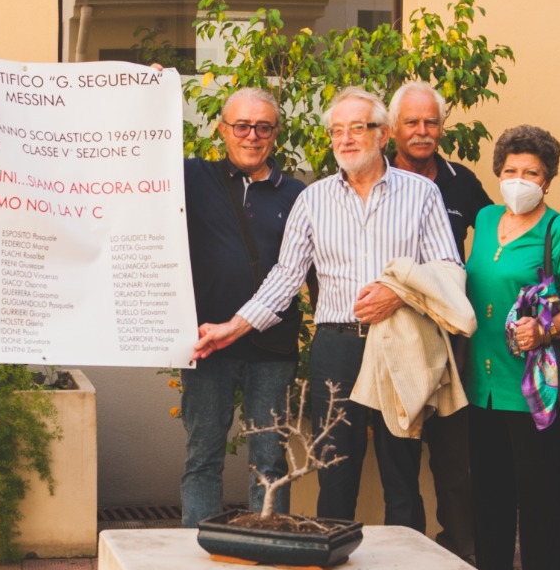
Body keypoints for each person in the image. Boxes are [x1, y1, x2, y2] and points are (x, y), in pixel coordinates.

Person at [194, 87, 461, 529]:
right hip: (336, 349)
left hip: (400, 341)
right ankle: (335, 562)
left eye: (358, 128)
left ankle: (407, 567)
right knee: (334, 474)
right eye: (338, 130)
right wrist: (233, 327)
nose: (346, 139)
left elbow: (449, 269)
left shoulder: (422, 194)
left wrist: (400, 293)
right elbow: (285, 277)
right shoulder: (312, 199)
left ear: (383, 134)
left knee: (401, 471)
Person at [462, 125, 560, 570]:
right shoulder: (485, 218)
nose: (519, 181)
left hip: (533, 386)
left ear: (548, 180)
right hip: (482, 381)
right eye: (511, 171)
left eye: (532, 173)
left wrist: (545, 330)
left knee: (540, 492)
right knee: (489, 489)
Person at [179, 87, 306, 526]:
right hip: (207, 343)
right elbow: (137, 159)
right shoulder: (193, 177)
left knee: (269, 462)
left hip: (272, 349)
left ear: (276, 133)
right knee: (202, 456)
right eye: (242, 126)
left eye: (263, 127)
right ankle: (197, 549)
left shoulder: (297, 194)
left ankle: (269, 548)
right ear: (222, 130)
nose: (252, 135)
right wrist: (142, 93)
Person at [389, 81, 492, 561]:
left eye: (431, 122)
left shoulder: (461, 182)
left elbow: (495, 242)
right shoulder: (375, 179)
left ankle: (463, 555)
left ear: (443, 128)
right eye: (412, 122)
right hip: (394, 336)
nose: (422, 131)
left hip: (452, 340)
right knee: (399, 457)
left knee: (456, 459)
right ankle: (406, 558)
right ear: (393, 128)